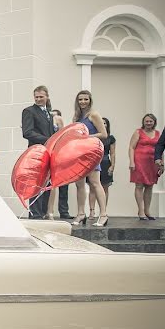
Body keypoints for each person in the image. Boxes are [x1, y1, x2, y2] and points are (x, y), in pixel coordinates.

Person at [72, 91, 109, 227]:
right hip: (79, 153)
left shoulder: (94, 115)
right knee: (79, 184)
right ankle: (81, 213)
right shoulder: (76, 116)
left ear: (90, 100)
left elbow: (104, 134)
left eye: (85, 99)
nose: (83, 102)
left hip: (91, 152)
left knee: (95, 183)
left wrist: (87, 137)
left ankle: (103, 214)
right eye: (80, 99)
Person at [21, 85, 56, 219]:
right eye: (36, 97)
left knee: (46, 183)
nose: (39, 99)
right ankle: (35, 214)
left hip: (48, 153)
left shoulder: (48, 113)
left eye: (41, 97)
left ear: (47, 97)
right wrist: (48, 140)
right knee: (36, 183)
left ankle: (43, 213)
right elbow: (27, 132)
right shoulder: (29, 111)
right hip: (36, 152)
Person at [129, 113, 161, 220]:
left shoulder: (158, 133)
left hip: (153, 162)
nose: (148, 123)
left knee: (150, 186)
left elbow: (160, 149)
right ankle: (141, 211)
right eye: (146, 121)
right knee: (139, 186)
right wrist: (131, 162)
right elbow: (131, 147)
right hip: (139, 161)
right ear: (143, 122)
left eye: (150, 121)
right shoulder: (138, 132)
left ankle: (147, 210)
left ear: (154, 122)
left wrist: (162, 163)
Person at [45, 108, 73, 220]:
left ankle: (64, 211)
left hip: (61, 155)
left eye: (56, 116)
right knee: (50, 185)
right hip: (49, 154)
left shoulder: (62, 130)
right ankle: (49, 211)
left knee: (63, 185)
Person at [89, 117, 115, 220]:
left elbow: (112, 153)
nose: (103, 125)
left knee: (105, 187)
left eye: (105, 123)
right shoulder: (94, 137)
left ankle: (103, 211)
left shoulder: (110, 138)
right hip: (94, 161)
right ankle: (91, 211)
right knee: (92, 187)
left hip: (105, 162)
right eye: (101, 123)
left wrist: (112, 165)